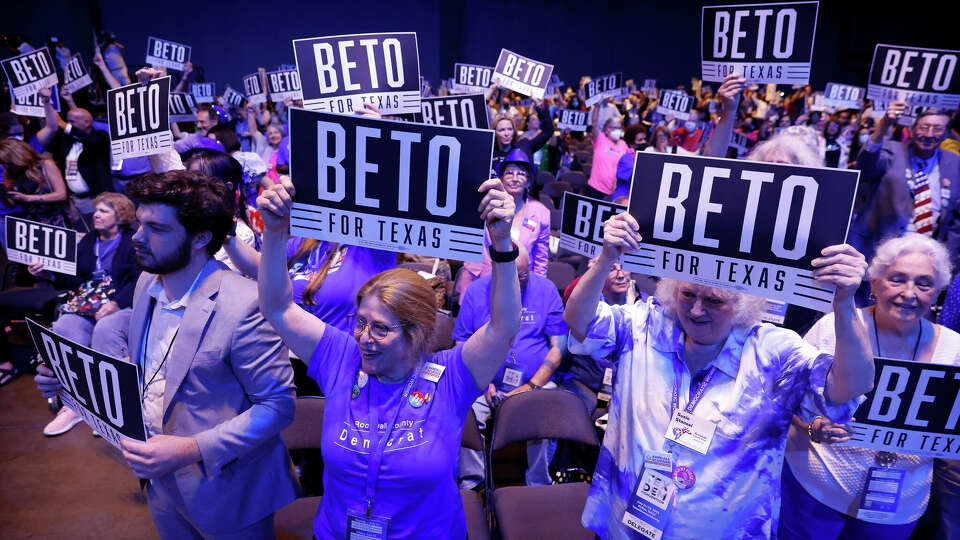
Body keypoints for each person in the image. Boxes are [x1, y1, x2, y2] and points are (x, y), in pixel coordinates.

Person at [564, 209, 873, 538]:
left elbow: (850, 386)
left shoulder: (773, 353)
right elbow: (580, 323)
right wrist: (607, 257)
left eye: (714, 300)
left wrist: (843, 302)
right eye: (687, 295)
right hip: (626, 525)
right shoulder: (645, 324)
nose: (696, 310)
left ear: (743, 303)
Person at [34, 169, 299, 538]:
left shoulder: (245, 304)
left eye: (156, 229)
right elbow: (150, 373)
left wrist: (192, 448)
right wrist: (68, 381)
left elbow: (277, 406)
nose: (138, 238)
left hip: (228, 488)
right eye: (140, 224)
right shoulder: (147, 282)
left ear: (201, 237)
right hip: (161, 483)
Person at [255, 175, 521, 538]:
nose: (364, 338)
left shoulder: (451, 377)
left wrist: (502, 244)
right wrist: (274, 233)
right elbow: (278, 307)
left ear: (418, 334)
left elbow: (503, 327)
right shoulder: (343, 359)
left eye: (380, 329)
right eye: (360, 322)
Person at [779, 234, 958, 539]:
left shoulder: (954, 351)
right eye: (897, 279)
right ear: (873, 284)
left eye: (924, 284)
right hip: (816, 491)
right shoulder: (834, 327)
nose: (909, 293)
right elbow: (788, 404)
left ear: (938, 292)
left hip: (896, 506)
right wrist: (813, 429)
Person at [455, 246, 566, 488]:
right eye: (513, 275)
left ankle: (538, 485)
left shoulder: (546, 291)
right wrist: (482, 382)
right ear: (498, 269)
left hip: (535, 382)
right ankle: (473, 485)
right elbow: (460, 344)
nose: (518, 282)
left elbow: (558, 349)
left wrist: (530, 386)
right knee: (465, 409)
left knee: (548, 409)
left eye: (524, 275)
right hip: (483, 381)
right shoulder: (475, 293)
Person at [31, 193, 141, 435]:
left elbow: (138, 279)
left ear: (119, 215)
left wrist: (115, 304)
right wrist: (46, 273)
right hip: (87, 302)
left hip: (121, 303)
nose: (96, 215)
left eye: (104, 211)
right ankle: (76, 404)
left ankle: (111, 405)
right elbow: (74, 277)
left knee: (106, 329)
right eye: (96, 210)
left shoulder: (132, 240)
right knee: (65, 327)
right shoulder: (90, 240)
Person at [851, 104, 960, 273]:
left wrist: (947, 262)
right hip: (878, 253)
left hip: (925, 259)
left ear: (946, 132)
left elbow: (956, 221)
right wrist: (884, 125)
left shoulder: (954, 162)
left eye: (937, 129)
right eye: (924, 127)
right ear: (912, 129)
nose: (929, 134)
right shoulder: (891, 150)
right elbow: (865, 167)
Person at [454, 149, 550, 300]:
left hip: (521, 285)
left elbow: (541, 259)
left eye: (521, 174)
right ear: (501, 179)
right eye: (510, 173)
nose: (515, 178)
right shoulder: (486, 203)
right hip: (483, 280)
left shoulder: (541, 213)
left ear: (529, 182)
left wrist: (538, 292)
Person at [34, 87, 113, 228]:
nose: (68, 125)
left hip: (94, 198)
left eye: (72, 122)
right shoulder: (67, 139)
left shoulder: (100, 137)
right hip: (73, 200)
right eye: (68, 121)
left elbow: (89, 138)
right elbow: (53, 125)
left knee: (97, 231)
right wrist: (46, 101)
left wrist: (64, 124)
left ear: (87, 123)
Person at [0, 138, 69, 237]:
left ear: (17, 156)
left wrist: (28, 198)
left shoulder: (45, 164)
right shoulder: (9, 172)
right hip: (32, 222)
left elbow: (61, 194)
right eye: (4, 164)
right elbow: (12, 205)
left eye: (9, 163)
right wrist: (4, 195)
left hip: (55, 219)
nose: (7, 167)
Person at [490, 98, 555, 175]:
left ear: (514, 131)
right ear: (495, 132)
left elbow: (548, 131)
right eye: (502, 130)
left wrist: (538, 106)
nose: (506, 133)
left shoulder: (524, 147)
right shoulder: (489, 152)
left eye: (510, 129)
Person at [585, 115, 631, 200]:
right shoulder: (600, 139)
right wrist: (597, 106)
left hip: (614, 190)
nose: (617, 130)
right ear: (606, 129)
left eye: (619, 128)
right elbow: (594, 122)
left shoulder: (623, 144)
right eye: (614, 127)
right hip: (595, 189)